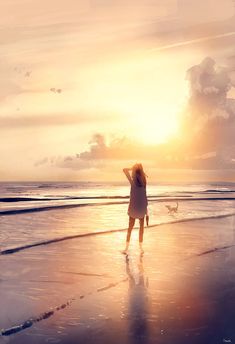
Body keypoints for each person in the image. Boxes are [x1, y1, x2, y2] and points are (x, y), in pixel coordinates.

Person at [122, 163, 148, 253]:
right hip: (142, 208)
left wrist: (131, 168)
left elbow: (124, 170)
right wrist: (146, 210)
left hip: (134, 208)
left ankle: (126, 248)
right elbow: (145, 196)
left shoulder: (133, 182)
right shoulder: (144, 182)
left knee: (130, 228)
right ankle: (141, 248)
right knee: (141, 228)